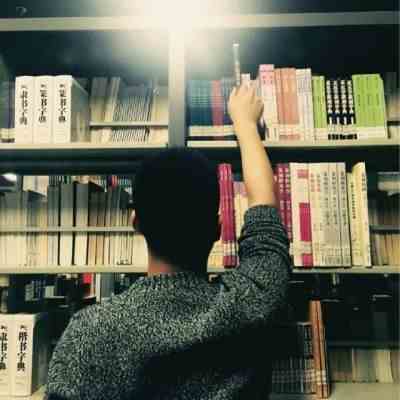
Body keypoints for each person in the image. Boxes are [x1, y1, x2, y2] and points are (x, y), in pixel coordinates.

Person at [46, 84, 290, 400]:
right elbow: (264, 214)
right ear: (217, 229)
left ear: (136, 223)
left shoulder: (88, 333)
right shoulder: (251, 303)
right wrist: (245, 124)